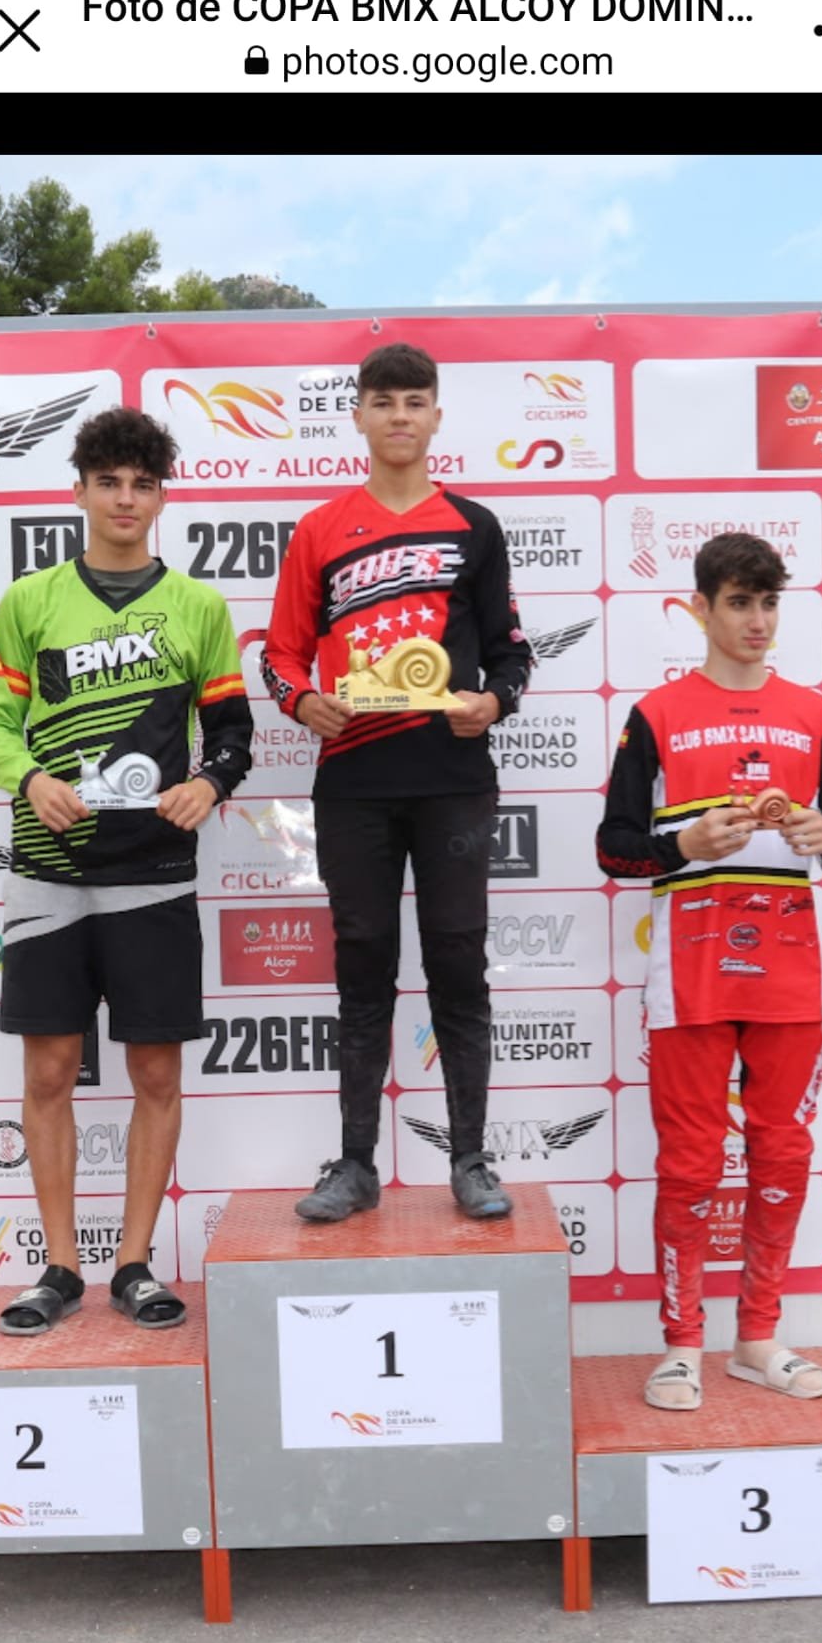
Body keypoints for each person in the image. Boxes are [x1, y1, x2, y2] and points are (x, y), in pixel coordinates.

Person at [0, 406, 253, 1334]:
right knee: (50, 1072)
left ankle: (134, 1263)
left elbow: (231, 730)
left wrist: (208, 784)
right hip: (47, 871)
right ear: (79, 491)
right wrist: (30, 779)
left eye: (142, 484)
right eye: (109, 483)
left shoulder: (199, 607)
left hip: (156, 874)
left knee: (156, 1075)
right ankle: (59, 1268)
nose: (125, 499)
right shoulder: (30, 601)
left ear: (162, 496)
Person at [262, 342, 533, 1221]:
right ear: (358, 417)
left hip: (452, 778)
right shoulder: (319, 528)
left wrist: (494, 702)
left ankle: (470, 1160)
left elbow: (511, 653)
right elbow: (279, 655)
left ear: (436, 416)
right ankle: (354, 1165)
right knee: (363, 968)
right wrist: (302, 702)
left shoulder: (474, 526)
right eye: (383, 402)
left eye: (415, 402)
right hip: (353, 780)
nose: (400, 417)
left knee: (457, 963)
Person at [596, 531, 822, 1408]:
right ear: (699, 609)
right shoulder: (656, 714)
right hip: (690, 975)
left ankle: (757, 1338)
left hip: (787, 974)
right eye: (739, 602)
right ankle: (680, 1346)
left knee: (782, 1154)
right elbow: (613, 848)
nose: (757, 620)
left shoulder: (812, 714)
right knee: (689, 1163)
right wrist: (683, 846)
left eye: (768, 602)